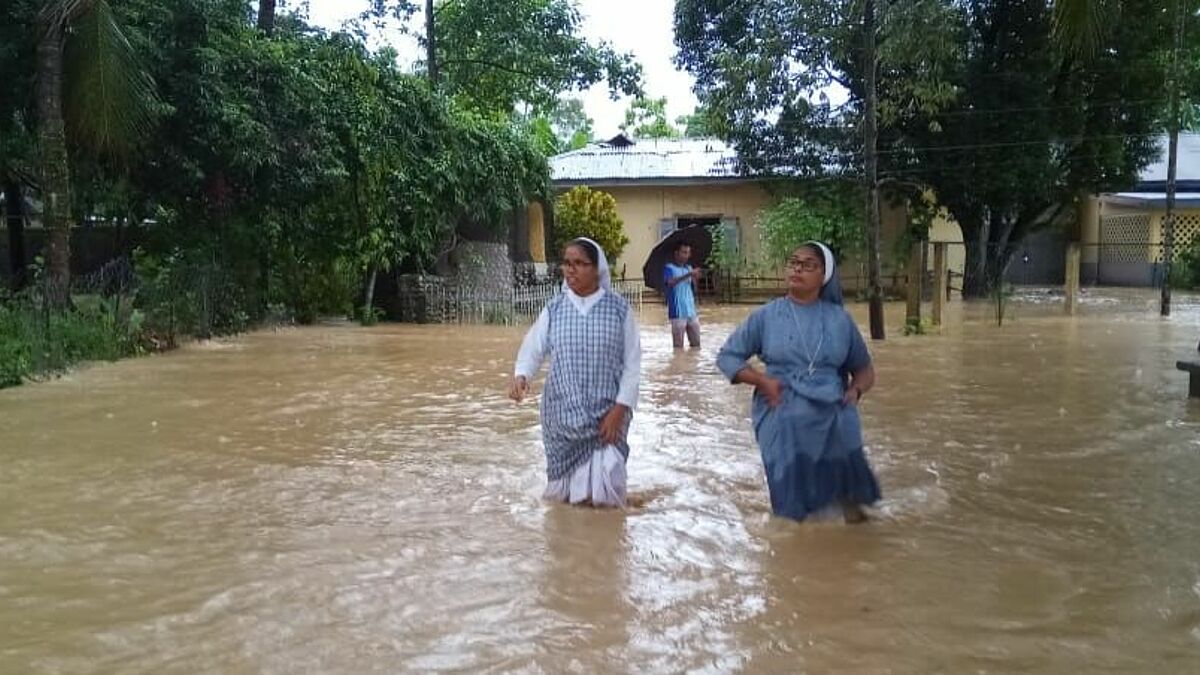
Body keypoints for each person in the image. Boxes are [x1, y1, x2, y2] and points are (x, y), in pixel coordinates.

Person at [715, 241, 881, 523]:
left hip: (833, 404)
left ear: (824, 276)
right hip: (781, 402)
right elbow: (728, 358)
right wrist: (762, 381)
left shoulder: (840, 320)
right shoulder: (766, 316)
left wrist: (855, 390)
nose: (797, 269)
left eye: (808, 265)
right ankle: (794, 529)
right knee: (793, 506)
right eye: (793, 262)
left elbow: (865, 370)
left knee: (848, 504)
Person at [509, 238, 641, 507]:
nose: (571, 270)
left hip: (608, 418)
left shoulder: (618, 310)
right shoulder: (554, 309)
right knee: (563, 503)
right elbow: (533, 347)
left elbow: (633, 363)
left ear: (597, 269)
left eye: (580, 263)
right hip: (562, 418)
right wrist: (522, 376)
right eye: (567, 264)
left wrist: (619, 410)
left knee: (608, 500)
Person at [663, 242, 702, 349]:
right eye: (684, 252)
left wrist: (695, 278)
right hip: (677, 313)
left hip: (691, 311)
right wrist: (689, 274)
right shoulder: (669, 268)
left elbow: (694, 288)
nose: (686, 255)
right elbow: (670, 282)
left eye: (688, 253)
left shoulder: (689, 268)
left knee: (696, 346)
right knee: (678, 348)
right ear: (677, 253)